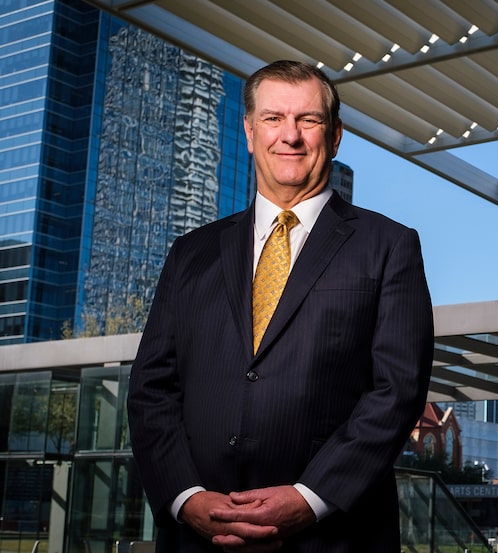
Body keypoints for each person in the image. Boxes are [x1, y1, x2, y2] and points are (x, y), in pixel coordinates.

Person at [127, 60, 434, 552]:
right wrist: (185, 498)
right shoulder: (191, 252)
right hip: (197, 538)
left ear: (334, 137)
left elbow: (397, 391)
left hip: (332, 538)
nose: (289, 136)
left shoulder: (389, 246)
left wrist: (310, 497)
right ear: (249, 132)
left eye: (307, 120)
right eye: (273, 119)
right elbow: (152, 390)